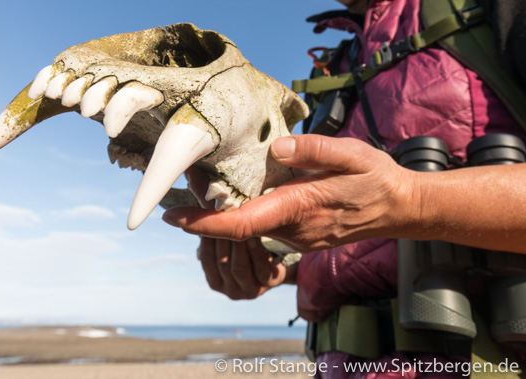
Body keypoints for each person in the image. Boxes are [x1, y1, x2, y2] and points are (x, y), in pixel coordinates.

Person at [163, 0, 526, 377]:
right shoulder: (333, 66)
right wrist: (279, 267)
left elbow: (387, 206)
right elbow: (349, 232)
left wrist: (412, 199)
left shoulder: (495, 9)